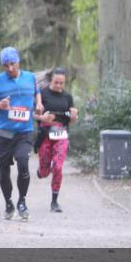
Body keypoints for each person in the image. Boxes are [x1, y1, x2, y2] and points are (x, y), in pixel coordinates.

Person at [0, 47, 43, 220]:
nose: (10, 68)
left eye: (12, 64)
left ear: (19, 62)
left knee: (23, 162)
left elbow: (37, 93)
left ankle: (22, 202)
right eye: (5, 65)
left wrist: (38, 103)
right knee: (4, 172)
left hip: (24, 132)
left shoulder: (30, 77)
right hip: (4, 134)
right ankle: (8, 203)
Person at [34, 67, 78, 212]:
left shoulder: (68, 97)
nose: (59, 86)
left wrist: (73, 117)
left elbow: (72, 120)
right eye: (56, 82)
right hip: (46, 134)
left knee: (58, 167)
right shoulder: (42, 94)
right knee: (46, 172)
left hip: (62, 135)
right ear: (50, 80)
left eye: (62, 83)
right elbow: (33, 114)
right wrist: (42, 117)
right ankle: (42, 170)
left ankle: (54, 202)